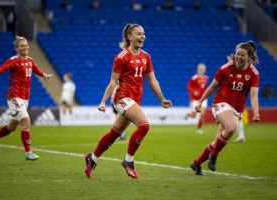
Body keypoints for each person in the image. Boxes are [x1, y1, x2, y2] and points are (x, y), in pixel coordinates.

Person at [84, 24, 172, 179]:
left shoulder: (146, 57)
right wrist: (103, 102)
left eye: (144, 34)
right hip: (122, 98)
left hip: (134, 100)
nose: (142, 37)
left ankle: (92, 159)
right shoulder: (121, 57)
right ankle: (128, 161)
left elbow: (152, 81)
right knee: (144, 126)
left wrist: (162, 99)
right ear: (130, 37)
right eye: (139, 34)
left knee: (114, 134)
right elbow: (113, 82)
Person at [190, 41, 260, 175]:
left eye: (242, 55)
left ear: (249, 57)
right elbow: (212, 86)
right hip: (221, 103)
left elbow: (254, 94)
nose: (239, 57)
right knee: (231, 128)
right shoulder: (225, 68)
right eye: (238, 54)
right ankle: (214, 156)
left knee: (219, 140)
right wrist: (201, 101)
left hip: (237, 109)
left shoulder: (253, 73)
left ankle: (197, 163)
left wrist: (256, 112)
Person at [0, 36, 52, 161]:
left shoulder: (30, 60)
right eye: (22, 45)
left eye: (26, 45)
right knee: (26, 122)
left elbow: (35, 69)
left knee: (12, 127)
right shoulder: (14, 60)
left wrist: (44, 74)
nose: (25, 47)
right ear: (17, 48)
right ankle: (28, 152)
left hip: (25, 99)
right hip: (15, 97)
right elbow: (1, 68)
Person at [185, 63, 209, 135]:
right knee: (193, 115)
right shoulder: (194, 78)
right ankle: (188, 114)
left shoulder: (206, 78)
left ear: (205, 70)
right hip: (195, 100)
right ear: (198, 70)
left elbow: (205, 88)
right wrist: (193, 91)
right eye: (200, 69)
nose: (202, 70)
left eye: (203, 69)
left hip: (203, 99)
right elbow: (188, 86)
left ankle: (199, 129)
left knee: (202, 114)